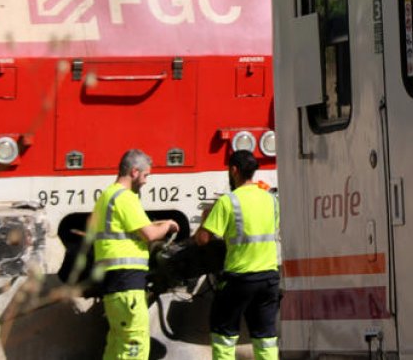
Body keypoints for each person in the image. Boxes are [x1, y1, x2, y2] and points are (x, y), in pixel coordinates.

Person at [90, 149, 179, 360]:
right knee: (135, 342)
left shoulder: (107, 195)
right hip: (127, 282)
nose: (146, 181)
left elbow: (134, 227)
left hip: (113, 282)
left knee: (117, 342)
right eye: (146, 175)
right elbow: (149, 234)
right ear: (134, 171)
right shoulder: (125, 198)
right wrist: (167, 225)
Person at [194, 150, 280, 360]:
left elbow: (203, 239)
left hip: (239, 280)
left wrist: (206, 218)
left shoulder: (228, 202)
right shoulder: (271, 200)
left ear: (234, 170)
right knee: (265, 339)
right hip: (269, 279)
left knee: (223, 336)